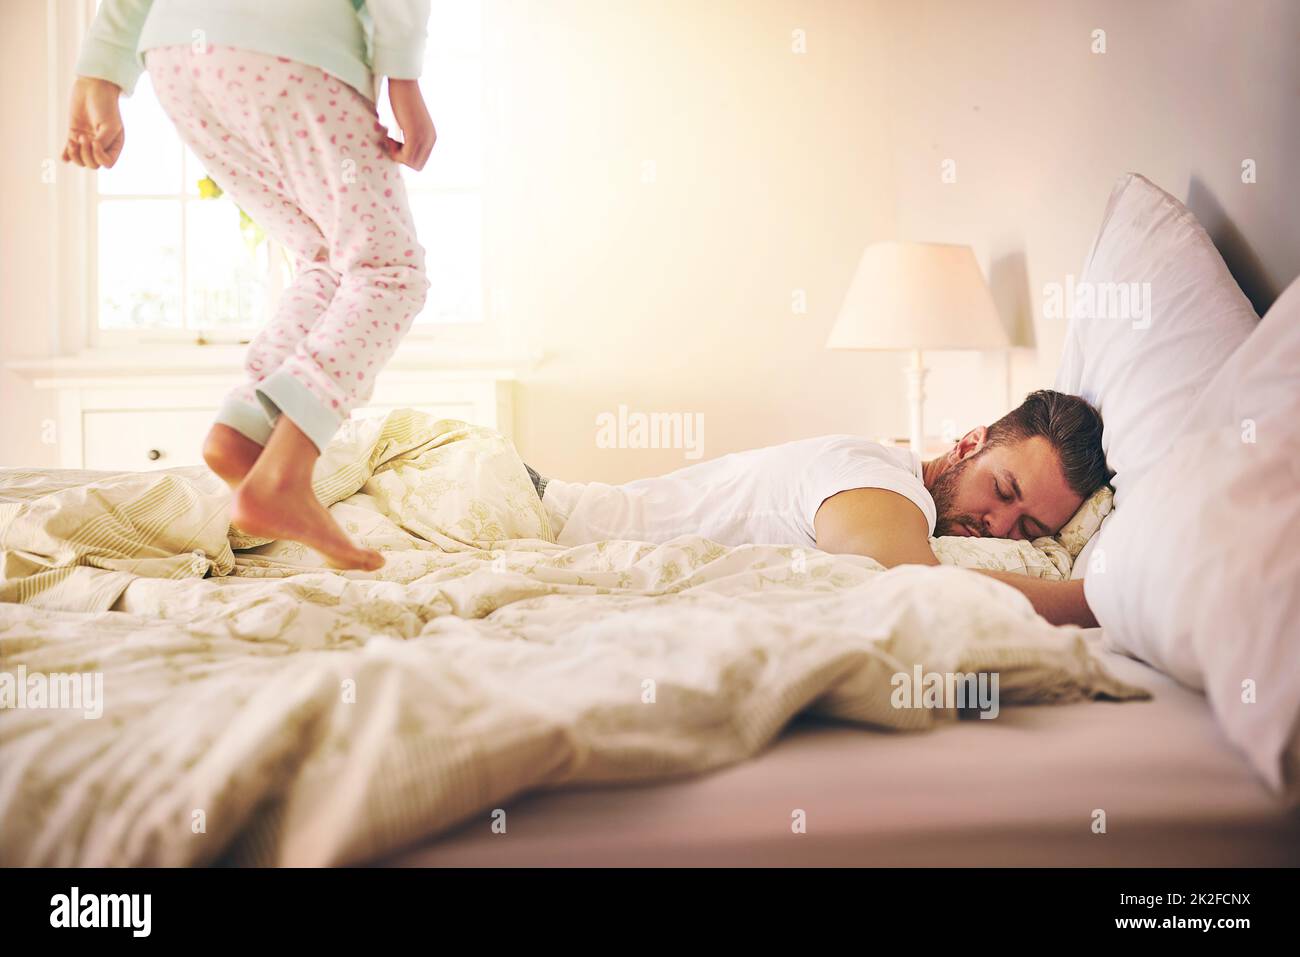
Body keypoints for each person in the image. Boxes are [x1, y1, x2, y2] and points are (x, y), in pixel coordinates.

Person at [64, 0, 436, 572]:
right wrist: (404, 79)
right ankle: (285, 472)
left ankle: (246, 424)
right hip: (293, 48)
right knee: (389, 269)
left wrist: (101, 73)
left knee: (326, 259)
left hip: (177, 59)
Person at [528, 390, 1111, 628]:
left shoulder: (894, 482)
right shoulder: (882, 482)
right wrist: (1105, 602)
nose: (999, 527)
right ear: (966, 445)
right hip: (530, 512)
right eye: (1003, 491)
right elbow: (908, 584)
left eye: (1030, 529)